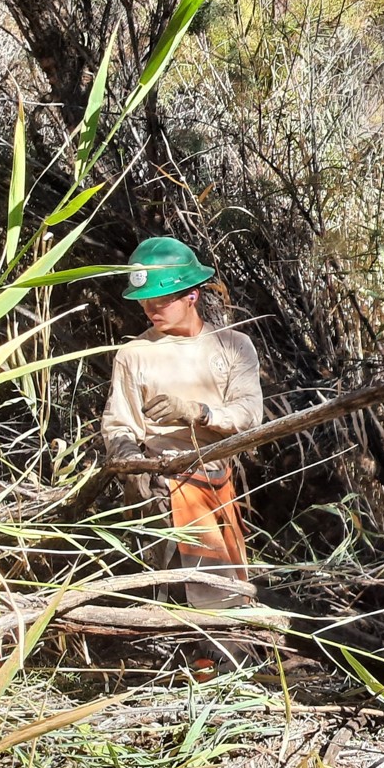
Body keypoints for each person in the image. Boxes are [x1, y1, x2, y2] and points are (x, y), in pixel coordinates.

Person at [98, 236, 265, 613]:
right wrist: (132, 468)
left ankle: (228, 661)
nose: (149, 309)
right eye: (144, 301)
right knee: (195, 596)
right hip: (167, 489)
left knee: (231, 588)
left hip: (219, 482)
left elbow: (251, 415)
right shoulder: (134, 354)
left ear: (192, 295)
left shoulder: (233, 346)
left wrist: (198, 412)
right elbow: (119, 424)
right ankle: (206, 664)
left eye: (160, 300)